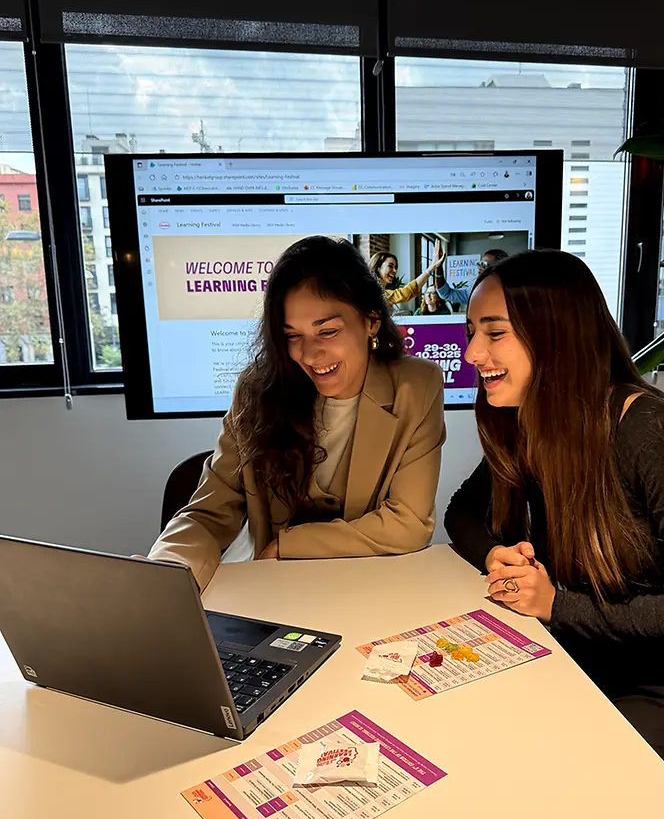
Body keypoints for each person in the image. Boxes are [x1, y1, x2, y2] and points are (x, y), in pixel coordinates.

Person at [445, 249, 664, 819]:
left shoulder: (644, 428)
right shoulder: (533, 420)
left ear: (556, 334)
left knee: (550, 808)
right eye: (472, 332)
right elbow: (462, 514)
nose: (474, 353)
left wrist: (559, 606)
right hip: (595, 668)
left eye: (495, 333)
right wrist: (499, 552)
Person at [149, 235, 446, 590]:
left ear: (371, 321)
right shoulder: (257, 391)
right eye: (292, 335)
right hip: (274, 589)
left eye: (328, 331)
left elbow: (409, 522)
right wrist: (167, 570)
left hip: (370, 587)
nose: (309, 354)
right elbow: (210, 512)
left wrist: (289, 545)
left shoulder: (416, 386)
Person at [370, 249, 444, 315]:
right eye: (390, 266)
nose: (395, 271)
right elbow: (407, 292)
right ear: (378, 267)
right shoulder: (373, 292)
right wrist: (432, 267)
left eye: (395, 267)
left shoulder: (381, 292)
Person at [435, 245, 508, 307]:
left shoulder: (512, 290)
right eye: (479, 263)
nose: (479, 267)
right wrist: (438, 267)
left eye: (484, 264)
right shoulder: (475, 290)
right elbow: (446, 293)